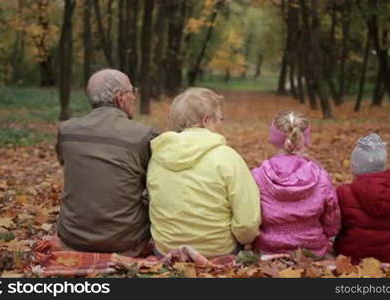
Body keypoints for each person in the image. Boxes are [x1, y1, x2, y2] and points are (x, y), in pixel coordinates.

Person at [55, 69, 158, 257]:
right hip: (125, 241)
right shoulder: (144, 135)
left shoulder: (67, 131)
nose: (134, 97)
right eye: (131, 91)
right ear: (120, 98)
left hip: (72, 237)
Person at [147, 87, 261, 257]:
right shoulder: (227, 157)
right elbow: (247, 223)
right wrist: (245, 240)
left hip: (166, 250)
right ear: (206, 121)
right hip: (218, 250)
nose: (222, 124)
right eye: (220, 118)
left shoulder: (158, 157)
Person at [251, 110, 341, 257]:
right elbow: (332, 215)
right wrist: (330, 234)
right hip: (312, 249)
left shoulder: (258, 176)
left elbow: (251, 216)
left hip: (268, 248)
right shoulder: (320, 176)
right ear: (305, 139)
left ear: (273, 139)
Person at [333, 133, 390, 264]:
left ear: (355, 167)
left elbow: (338, 224)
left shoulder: (344, 192)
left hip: (351, 254)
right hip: (387, 253)